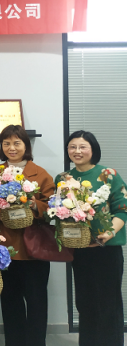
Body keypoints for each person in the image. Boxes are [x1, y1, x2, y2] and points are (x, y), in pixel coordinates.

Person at [0, 125, 55, 346]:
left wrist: (33, 205)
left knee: (37, 302)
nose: (11, 148)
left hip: (34, 250)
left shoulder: (40, 173)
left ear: (26, 145)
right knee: (10, 301)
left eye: (17, 143)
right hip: (6, 249)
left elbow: (53, 206)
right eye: (6, 143)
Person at [55, 131, 126, 346]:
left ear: (93, 149)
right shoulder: (63, 178)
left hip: (107, 250)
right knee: (85, 303)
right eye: (72, 147)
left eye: (82, 146)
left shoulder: (108, 174)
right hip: (80, 250)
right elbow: (58, 212)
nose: (77, 151)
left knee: (108, 303)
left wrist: (109, 233)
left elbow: (122, 209)